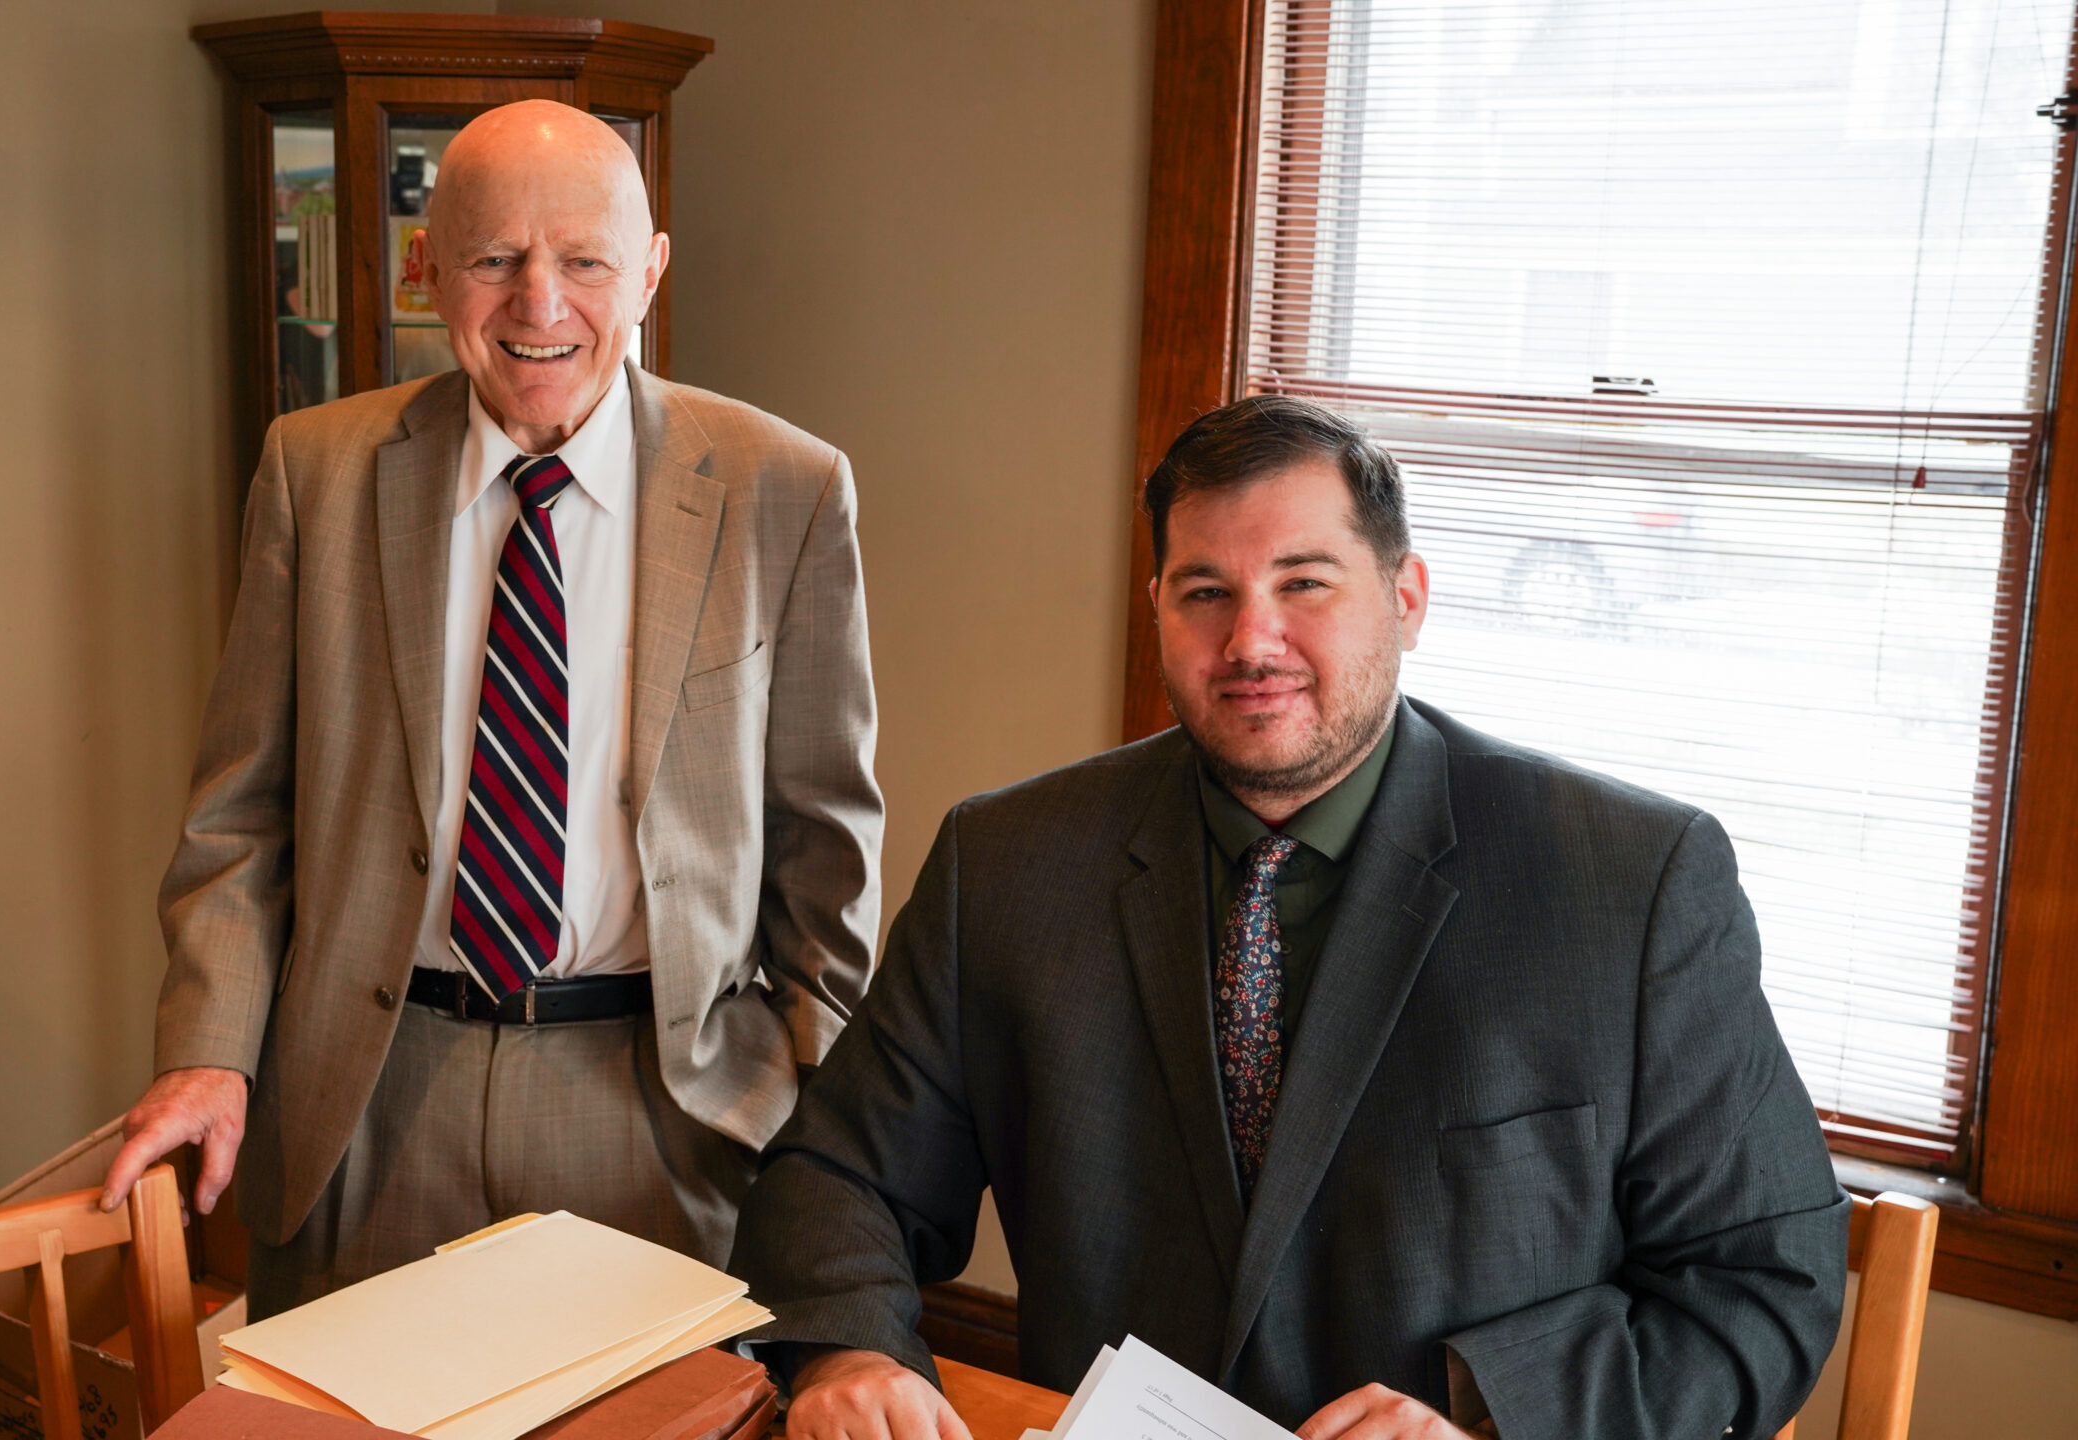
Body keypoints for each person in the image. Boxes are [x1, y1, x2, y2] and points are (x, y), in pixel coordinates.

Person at [729, 395, 1848, 1440]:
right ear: (1158, 605)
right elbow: (840, 1179)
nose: (1251, 643)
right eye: (1205, 590)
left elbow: (1760, 1278)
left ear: (1404, 599)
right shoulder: (1011, 862)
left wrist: (1493, 1415)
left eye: (1304, 584)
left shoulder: (1629, 881)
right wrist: (846, 1354)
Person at [100, 100, 882, 1316]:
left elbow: (823, 836)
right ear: (427, 268)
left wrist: (822, 1128)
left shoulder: (783, 487)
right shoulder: (316, 472)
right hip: (371, 1094)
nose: (539, 303)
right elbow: (241, 817)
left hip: (663, 1102)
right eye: (492, 258)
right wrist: (207, 1049)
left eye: (584, 260)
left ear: (650, 270)